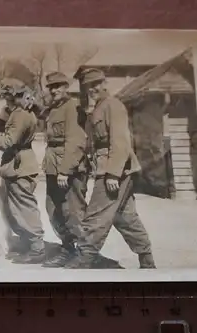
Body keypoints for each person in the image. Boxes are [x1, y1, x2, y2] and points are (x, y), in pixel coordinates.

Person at [66, 67, 156, 269]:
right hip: (108, 168)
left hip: (115, 170)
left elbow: (120, 141)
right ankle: (146, 258)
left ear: (105, 83)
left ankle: (85, 257)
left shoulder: (113, 105)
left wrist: (112, 174)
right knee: (124, 217)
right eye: (89, 85)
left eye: (97, 83)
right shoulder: (99, 107)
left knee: (96, 214)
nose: (93, 88)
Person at [0, 78, 46, 264]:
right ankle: (29, 244)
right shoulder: (18, 113)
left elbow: (8, 141)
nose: (4, 100)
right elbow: (3, 128)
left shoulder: (19, 115)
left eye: (6, 96)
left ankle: (37, 248)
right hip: (18, 165)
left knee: (24, 207)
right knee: (16, 208)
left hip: (20, 166)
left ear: (13, 96)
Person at [40, 72, 92, 268]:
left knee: (73, 211)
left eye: (58, 86)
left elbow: (76, 141)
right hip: (54, 167)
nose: (54, 90)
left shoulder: (72, 108)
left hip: (68, 168)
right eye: (51, 87)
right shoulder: (53, 109)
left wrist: (65, 170)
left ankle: (84, 253)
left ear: (66, 87)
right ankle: (68, 248)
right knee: (53, 209)